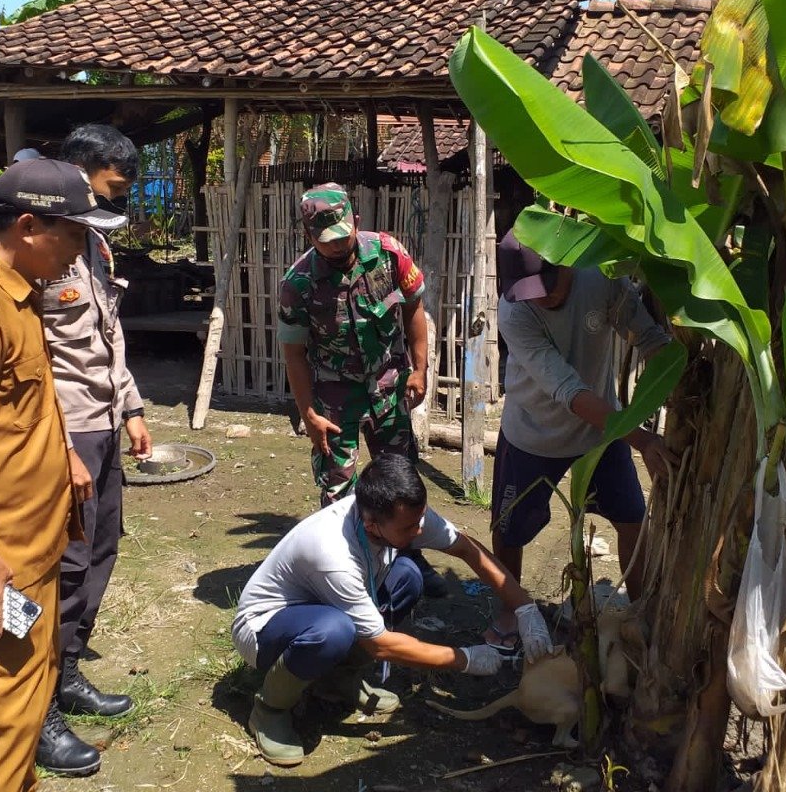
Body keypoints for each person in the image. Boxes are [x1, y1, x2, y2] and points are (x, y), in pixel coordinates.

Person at [0, 157, 128, 791]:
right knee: (7, 708)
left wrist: (63, 454)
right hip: (2, 557)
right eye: (74, 234)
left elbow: (22, 401)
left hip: (34, 550)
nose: (81, 251)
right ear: (30, 226)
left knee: (30, 685)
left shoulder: (19, 293)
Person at [232, 451, 554, 766]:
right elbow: (381, 645)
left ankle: (335, 680)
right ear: (372, 525)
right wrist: (466, 659)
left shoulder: (402, 515)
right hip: (263, 631)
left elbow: (468, 549)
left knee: (408, 579)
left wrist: (525, 608)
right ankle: (270, 709)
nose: (419, 530)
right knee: (334, 630)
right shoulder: (333, 554)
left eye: (421, 519)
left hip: (317, 608)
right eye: (408, 528)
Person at [487, 229, 677, 655]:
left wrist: (677, 373)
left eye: (548, 286)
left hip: (600, 432)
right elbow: (569, 391)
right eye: (528, 291)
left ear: (569, 263)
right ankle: (508, 611)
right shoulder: (514, 313)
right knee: (509, 529)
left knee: (632, 518)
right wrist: (641, 440)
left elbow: (649, 337)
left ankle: (639, 610)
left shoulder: (601, 279)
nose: (541, 298)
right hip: (533, 432)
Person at [36, 125, 154, 776]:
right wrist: (61, 444)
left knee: (102, 547)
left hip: (103, 420)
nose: (115, 201)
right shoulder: (39, 250)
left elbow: (105, 337)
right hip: (67, 428)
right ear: (79, 172)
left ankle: (69, 671)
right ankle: (37, 703)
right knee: (63, 563)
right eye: (111, 185)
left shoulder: (93, 244)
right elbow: (32, 361)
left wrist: (132, 407)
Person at [277, 183, 445, 595]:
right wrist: (308, 413)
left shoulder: (388, 254)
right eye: (325, 241)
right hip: (336, 399)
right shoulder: (298, 284)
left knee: (401, 479)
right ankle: (344, 574)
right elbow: (294, 352)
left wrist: (419, 370)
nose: (336, 247)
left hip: (389, 388)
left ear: (355, 220)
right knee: (338, 489)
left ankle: (411, 558)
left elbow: (414, 310)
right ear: (308, 236)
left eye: (342, 236)